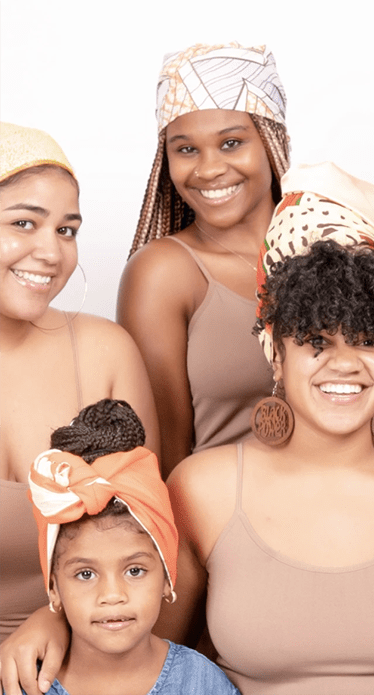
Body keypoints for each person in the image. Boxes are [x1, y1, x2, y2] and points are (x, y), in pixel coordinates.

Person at [155, 162, 374, 695]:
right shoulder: (201, 490)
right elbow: (157, 665)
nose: (344, 363)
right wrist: (49, 621)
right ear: (276, 354)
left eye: (368, 339)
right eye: (316, 341)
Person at [0, 123, 158, 645]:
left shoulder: (103, 351)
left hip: (90, 659)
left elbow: (148, 542)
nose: (51, 252)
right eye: (24, 223)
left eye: (66, 230)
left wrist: (57, 619)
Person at [117, 42, 290, 478]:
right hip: (222, 514)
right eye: (186, 149)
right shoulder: (164, 273)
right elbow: (164, 460)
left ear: (273, 141)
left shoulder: (334, 246)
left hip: (342, 507)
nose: (209, 169)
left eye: (231, 143)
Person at [27, 398, 239, 695]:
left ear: (167, 577)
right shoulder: (24, 685)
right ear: (53, 587)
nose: (113, 595)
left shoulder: (202, 684)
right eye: (85, 574)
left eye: (135, 570)